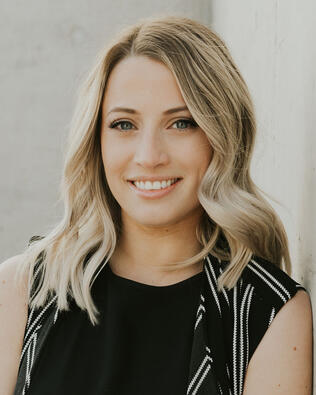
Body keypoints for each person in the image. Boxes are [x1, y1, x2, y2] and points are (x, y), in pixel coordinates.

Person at [0, 15, 313, 395]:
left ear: (222, 135)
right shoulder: (19, 291)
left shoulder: (268, 313)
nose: (149, 157)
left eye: (181, 123)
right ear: (96, 141)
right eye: (124, 125)